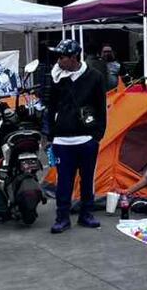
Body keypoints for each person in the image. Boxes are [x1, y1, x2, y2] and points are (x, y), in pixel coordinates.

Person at [45, 39, 107, 234]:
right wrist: (49, 134)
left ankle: (86, 214)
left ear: (73, 58)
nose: (58, 60)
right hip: (62, 140)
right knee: (64, 180)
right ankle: (62, 217)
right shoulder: (56, 77)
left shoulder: (94, 77)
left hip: (86, 139)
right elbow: (50, 107)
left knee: (87, 178)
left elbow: (100, 107)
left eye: (61, 56)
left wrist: (96, 135)